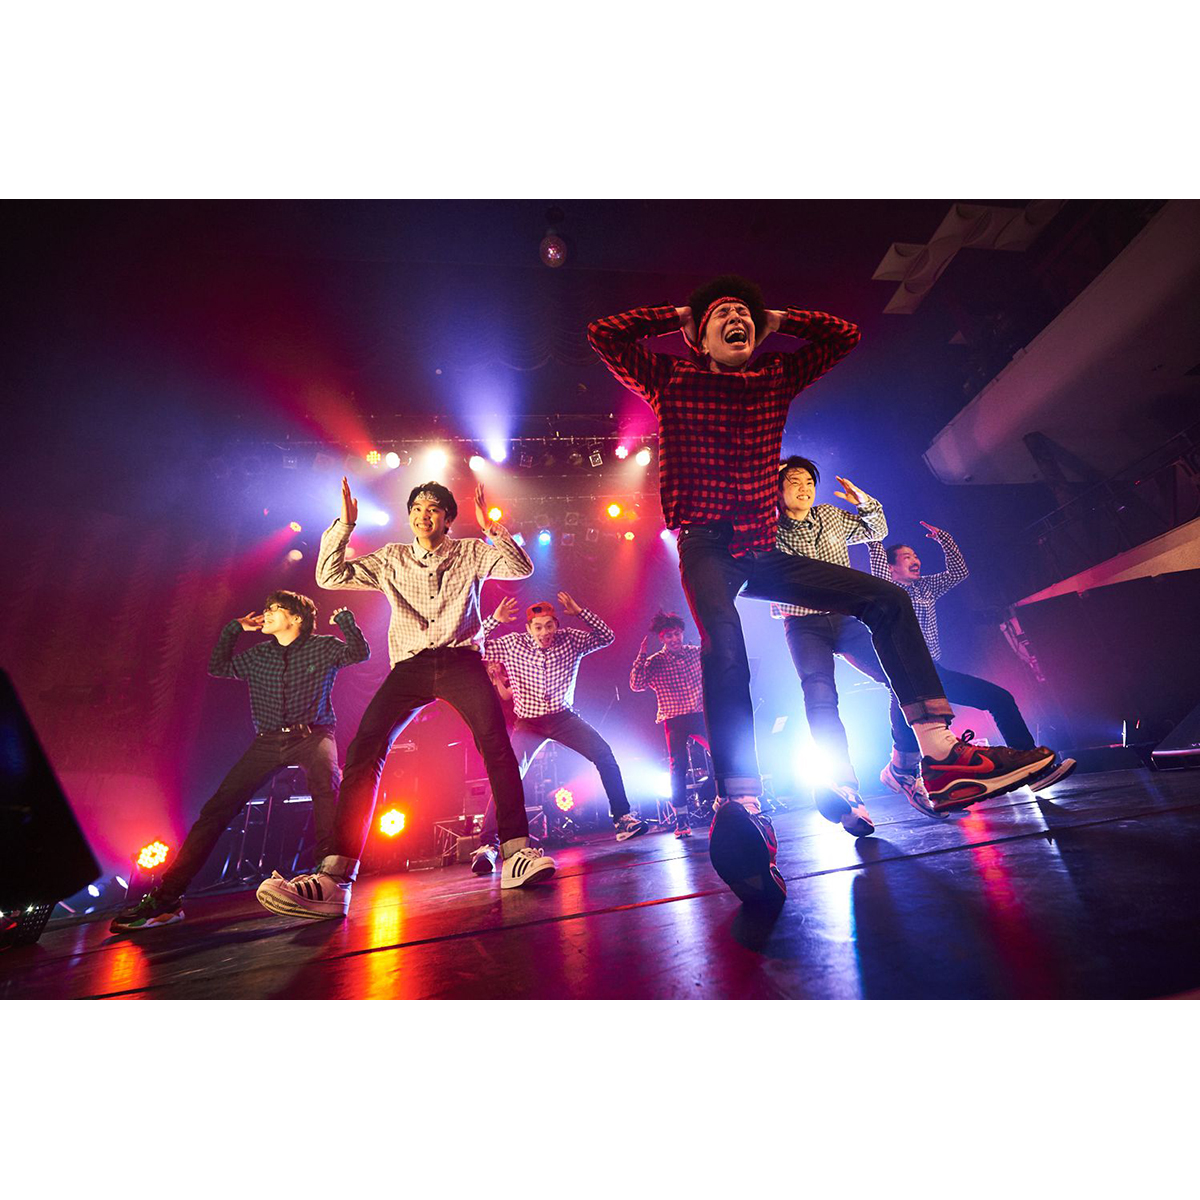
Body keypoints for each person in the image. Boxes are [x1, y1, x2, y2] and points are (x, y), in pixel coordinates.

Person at [588, 275, 1057, 905]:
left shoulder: (775, 376)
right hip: (705, 545)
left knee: (888, 599)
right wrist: (683, 312)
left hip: (763, 549)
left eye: (745, 315)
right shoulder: (672, 378)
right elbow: (605, 334)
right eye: (722, 315)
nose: (737, 319)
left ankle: (939, 752)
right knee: (725, 646)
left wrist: (776, 317)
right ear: (698, 337)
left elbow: (844, 335)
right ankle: (741, 798)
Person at [255, 476, 555, 920]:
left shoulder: (471, 551)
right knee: (364, 751)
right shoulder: (391, 558)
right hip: (409, 667)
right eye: (416, 508)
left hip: (461, 661)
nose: (422, 515)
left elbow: (520, 568)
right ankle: (335, 879)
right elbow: (329, 575)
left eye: (433, 508)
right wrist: (345, 525)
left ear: (448, 518)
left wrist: (491, 528)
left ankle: (515, 853)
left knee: (495, 743)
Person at [110, 591, 370, 932]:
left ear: (297, 618)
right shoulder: (258, 655)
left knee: (327, 791)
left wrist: (346, 623)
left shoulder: (323, 647)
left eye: (276, 609)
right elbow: (218, 667)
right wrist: (234, 628)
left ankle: (329, 883)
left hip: (313, 735)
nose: (266, 613)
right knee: (216, 810)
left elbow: (359, 653)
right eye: (266, 608)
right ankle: (167, 899)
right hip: (267, 742)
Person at [869, 526, 1075, 799]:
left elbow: (958, 573)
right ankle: (902, 772)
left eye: (916, 555)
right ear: (891, 568)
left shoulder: (925, 587)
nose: (915, 559)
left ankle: (1032, 769)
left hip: (933, 669)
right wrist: (872, 533)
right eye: (907, 557)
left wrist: (944, 539)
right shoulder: (888, 590)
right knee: (916, 723)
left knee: (999, 699)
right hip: (908, 670)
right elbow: (877, 566)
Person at [470, 593, 647, 872]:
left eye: (549, 626)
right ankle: (488, 845)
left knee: (603, 753)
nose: (544, 633)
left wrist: (580, 612)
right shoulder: (513, 644)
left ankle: (622, 819)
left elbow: (606, 637)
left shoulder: (571, 640)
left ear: (557, 625)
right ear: (529, 628)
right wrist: (495, 620)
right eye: (538, 627)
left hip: (563, 718)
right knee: (507, 775)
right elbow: (473, 648)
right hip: (529, 723)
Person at [770, 455, 894, 827]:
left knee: (898, 678)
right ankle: (847, 789)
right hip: (803, 624)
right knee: (820, 698)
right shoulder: (769, 529)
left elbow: (877, 530)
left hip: (845, 617)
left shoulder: (830, 516)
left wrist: (863, 501)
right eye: (794, 482)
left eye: (809, 482)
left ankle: (903, 767)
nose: (804, 488)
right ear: (777, 490)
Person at [629, 610, 715, 838]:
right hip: (674, 717)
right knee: (678, 767)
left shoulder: (695, 653)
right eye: (669, 636)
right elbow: (636, 685)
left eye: (677, 634)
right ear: (662, 638)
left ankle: (719, 798)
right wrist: (641, 656)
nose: (674, 639)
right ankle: (682, 818)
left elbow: (714, 666)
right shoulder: (655, 662)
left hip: (698, 713)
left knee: (720, 754)